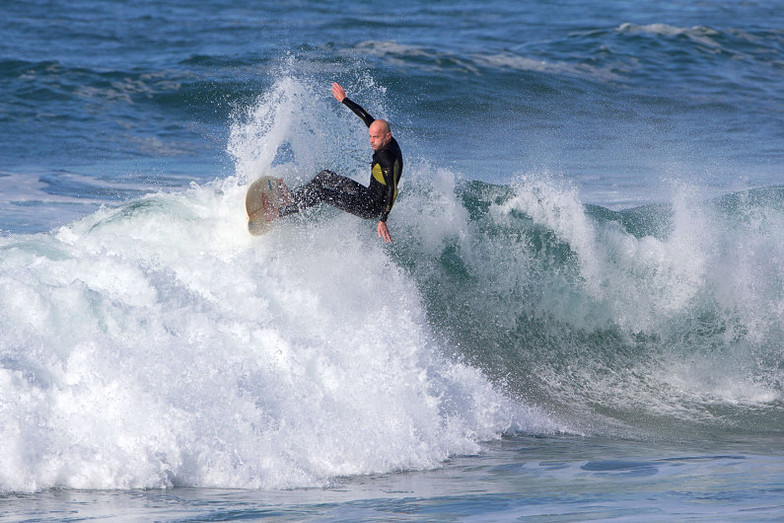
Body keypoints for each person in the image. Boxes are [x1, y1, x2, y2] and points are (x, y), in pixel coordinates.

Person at [277, 82, 403, 243]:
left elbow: (393, 190)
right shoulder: (383, 137)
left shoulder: (387, 158)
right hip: (367, 194)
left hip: (370, 207)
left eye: (376, 138)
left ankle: (278, 213)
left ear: (387, 136)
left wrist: (383, 220)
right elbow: (365, 116)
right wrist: (343, 99)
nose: (371, 141)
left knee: (321, 193)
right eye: (370, 136)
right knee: (325, 175)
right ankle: (293, 199)